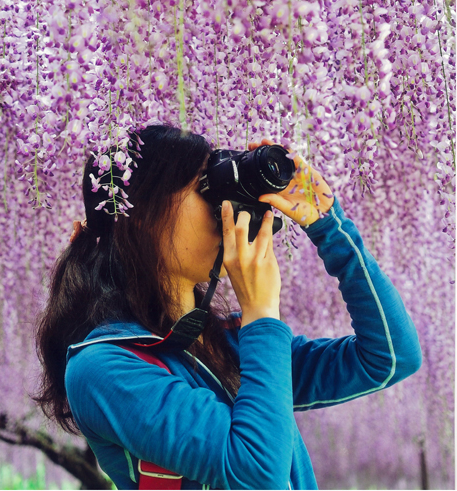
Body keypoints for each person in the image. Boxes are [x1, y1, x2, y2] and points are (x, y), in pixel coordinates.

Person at [34, 124, 422, 491]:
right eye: (206, 188)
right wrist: (262, 316)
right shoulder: (102, 367)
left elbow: (390, 356)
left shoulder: (229, 343)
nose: (225, 207)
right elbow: (255, 475)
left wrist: (328, 225)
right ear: (142, 217)